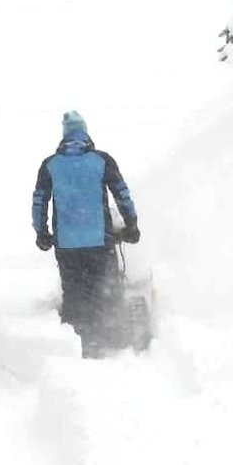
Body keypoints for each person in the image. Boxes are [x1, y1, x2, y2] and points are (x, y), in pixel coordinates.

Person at [31, 110, 140, 355]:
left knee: (74, 294)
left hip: (67, 244)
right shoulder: (102, 161)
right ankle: (113, 341)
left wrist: (42, 233)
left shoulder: (50, 165)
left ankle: (77, 346)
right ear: (85, 133)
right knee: (106, 290)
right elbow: (122, 194)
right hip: (100, 242)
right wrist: (131, 225)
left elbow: (39, 201)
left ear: (64, 135)